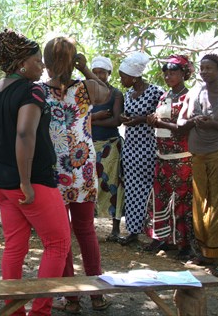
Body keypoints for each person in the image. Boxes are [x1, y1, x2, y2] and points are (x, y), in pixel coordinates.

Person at [0, 29, 71, 316]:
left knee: (15, 245)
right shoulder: (30, 89)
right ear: (22, 63)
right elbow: (24, 133)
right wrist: (26, 181)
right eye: (38, 61)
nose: (42, 67)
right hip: (30, 181)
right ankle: (39, 311)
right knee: (58, 243)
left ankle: (14, 311)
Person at [42, 37, 112, 313]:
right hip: (83, 169)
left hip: (54, 171)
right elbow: (107, 93)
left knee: (61, 236)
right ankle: (97, 295)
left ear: (46, 63)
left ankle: (71, 299)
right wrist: (86, 69)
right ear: (75, 61)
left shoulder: (37, 91)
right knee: (85, 230)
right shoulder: (87, 88)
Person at [144, 55, 195, 258]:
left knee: (181, 199)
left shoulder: (188, 97)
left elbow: (184, 128)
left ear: (184, 73)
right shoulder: (164, 96)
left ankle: (183, 244)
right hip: (163, 155)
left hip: (181, 157)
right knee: (161, 197)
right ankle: (163, 239)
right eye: (166, 72)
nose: (168, 76)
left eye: (173, 72)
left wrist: (159, 124)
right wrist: (152, 121)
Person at [178, 53, 218, 269]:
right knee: (199, 203)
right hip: (197, 154)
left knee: (217, 204)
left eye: (210, 68)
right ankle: (203, 251)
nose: (205, 72)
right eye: (202, 68)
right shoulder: (195, 93)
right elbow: (181, 122)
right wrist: (193, 121)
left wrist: (214, 125)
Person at [117, 52, 165, 246]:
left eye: (123, 76)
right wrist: (124, 118)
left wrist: (140, 120)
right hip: (131, 147)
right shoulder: (128, 94)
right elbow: (126, 115)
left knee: (149, 190)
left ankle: (155, 234)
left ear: (134, 76)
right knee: (132, 189)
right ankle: (134, 231)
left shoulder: (155, 91)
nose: (121, 80)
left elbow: (162, 115)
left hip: (148, 148)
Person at [90, 56, 125, 241]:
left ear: (109, 74)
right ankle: (87, 226)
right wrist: (96, 117)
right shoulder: (87, 93)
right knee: (89, 186)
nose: (98, 76)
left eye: (102, 72)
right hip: (88, 145)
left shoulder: (115, 94)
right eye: (95, 72)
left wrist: (91, 118)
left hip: (110, 146)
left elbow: (116, 120)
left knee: (113, 186)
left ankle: (115, 228)